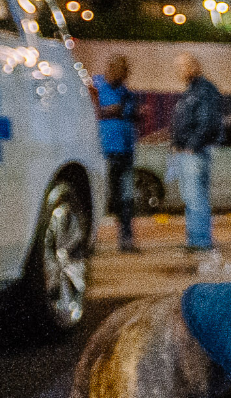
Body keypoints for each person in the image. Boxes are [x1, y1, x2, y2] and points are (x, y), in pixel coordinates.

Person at [170, 54, 224, 254]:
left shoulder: (203, 90)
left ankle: (200, 240)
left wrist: (192, 145)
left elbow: (208, 121)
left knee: (196, 197)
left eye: (182, 67)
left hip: (195, 152)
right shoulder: (193, 90)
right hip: (188, 151)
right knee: (191, 196)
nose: (179, 72)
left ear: (192, 67)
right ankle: (195, 238)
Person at [91, 55, 140, 253]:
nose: (122, 75)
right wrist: (109, 111)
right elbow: (95, 113)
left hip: (125, 152)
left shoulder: (126, 92)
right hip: (105, 151)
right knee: (102, 196)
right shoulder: (96, 87)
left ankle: (126, 240)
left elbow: (128, 113)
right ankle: (90, 240)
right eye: (119, 71)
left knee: (126, 199)